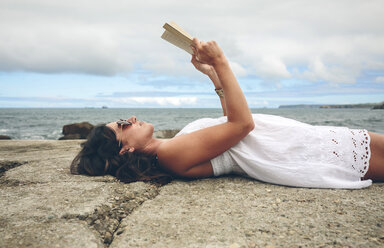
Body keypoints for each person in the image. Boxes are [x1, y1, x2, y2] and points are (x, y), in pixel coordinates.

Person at [71, 38, 384, 189]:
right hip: (299, 151)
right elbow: (242, 125)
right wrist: (221, 61)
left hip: (299, 142)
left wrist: (212, 76)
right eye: (124, 124)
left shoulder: (174, 147)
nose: (133, 118)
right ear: (126, 148)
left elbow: (226, 126)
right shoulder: (170, 156)